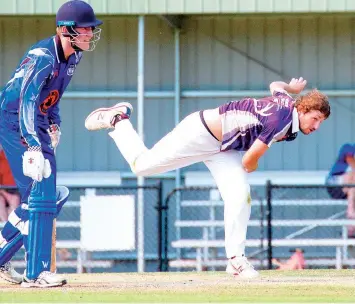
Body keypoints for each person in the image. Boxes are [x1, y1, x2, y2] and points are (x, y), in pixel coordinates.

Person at [85, 77, 331, 279]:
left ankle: (236, 260)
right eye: (315, 118)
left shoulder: (287, 102)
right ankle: (118, 119)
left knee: (240, 196)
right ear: (303, 109)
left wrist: (291, 88)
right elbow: (249, 161)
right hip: (200, 133)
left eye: (321, 121)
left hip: (225, 148)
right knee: (142, 167)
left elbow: (275, 86)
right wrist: (253, 164)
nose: (317, 125)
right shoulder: (283, 119)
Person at [0, 0, 102, 287]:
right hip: (14, 119)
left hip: (38, 119)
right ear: (64, 30)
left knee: (51, 196)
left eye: (91, 30)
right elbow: (26, 101)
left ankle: (4, 254)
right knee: (41, 193)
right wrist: (32, 144)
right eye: (85, 29)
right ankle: (36, 274)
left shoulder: (73, 57)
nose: (89, 34)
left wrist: (54, 121)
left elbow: (53, 95)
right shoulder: (43, 56)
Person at [326, 143, 355, 237]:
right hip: (334, 184)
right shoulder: (348, 148)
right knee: (353, 175)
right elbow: (351, 161)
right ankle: (350, 211)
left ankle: (350, 230)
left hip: (349, 190)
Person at [0, 145, 20, 222]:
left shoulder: (19, 156)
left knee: (15, 200)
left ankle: (10, 228)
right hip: (2, 192)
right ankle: (5, 229)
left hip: (16, 192)